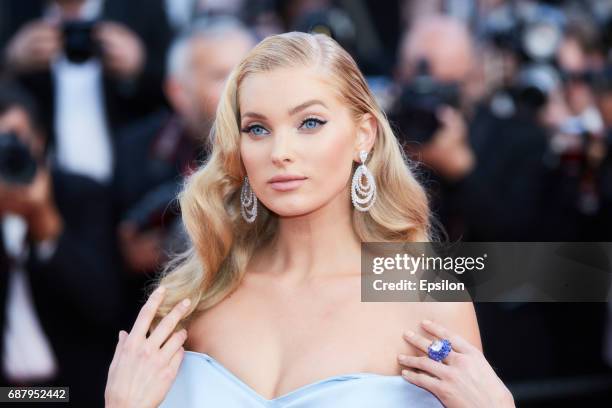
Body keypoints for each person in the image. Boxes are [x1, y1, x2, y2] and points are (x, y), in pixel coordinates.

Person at [104, 32, 515, 408]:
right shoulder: (195, 295)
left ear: (363, 135)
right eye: (258, 128)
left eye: (310, 123)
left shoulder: (428, 302)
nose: (280, 151)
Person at [113, 16, 256, 331]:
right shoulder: (134, 153)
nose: (239, 87)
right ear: (179, 91)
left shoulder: (282, 150)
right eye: (221, 75)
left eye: (247, 71)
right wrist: (126, 258)